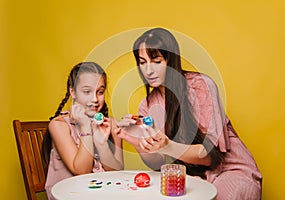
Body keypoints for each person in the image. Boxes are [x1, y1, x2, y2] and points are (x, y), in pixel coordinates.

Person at [117, 28, 262, 200]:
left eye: (156, 61)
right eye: (142, 62)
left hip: (230, 170)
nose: (148, 70)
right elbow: (158, 163)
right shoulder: (146, 106)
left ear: (171, 60)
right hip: (192, 177)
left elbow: (210, 157)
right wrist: (137, 140)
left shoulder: (201, 86)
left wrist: (167, 145)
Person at [42, 62, 123, 200]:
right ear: (72, 91)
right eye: (86, 91)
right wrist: (85, 127)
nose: (94, 99)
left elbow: (117, 172)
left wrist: (101, 143)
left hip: (102, 195)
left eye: (100, 92)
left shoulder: (110, 124)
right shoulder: (59, 125)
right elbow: (82, 171)